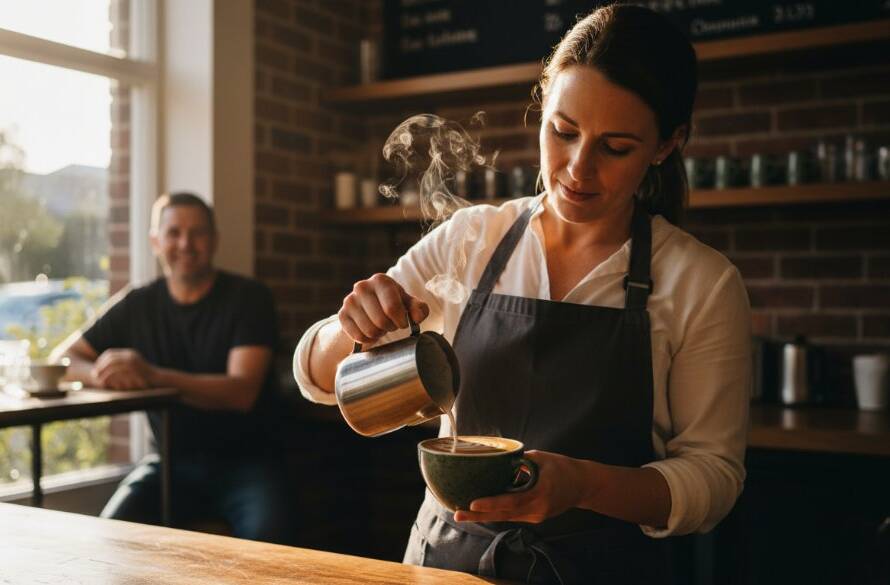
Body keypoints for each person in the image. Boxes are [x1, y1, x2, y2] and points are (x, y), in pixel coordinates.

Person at [294, 4, 750, 583]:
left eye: (615, 148)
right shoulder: (471, 239)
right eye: (562, 132)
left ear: (666, 145)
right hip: (445, 565)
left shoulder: (701, 283)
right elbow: (314, 377)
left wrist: (586, 485)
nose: (577, 169)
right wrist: (350, 328)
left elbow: (713, 478)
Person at [63, 192, 296, 545]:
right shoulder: (137, 303)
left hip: (247, 465)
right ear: (156, 241)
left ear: (214, 240)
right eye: (173, 233)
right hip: (169, 464)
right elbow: (65, 360)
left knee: (271, 544)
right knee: (108, 538)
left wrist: (152, 375)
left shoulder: (249, 298)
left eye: (198, 233)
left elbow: (241, 392)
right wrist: (104, 373)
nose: (185, 243)